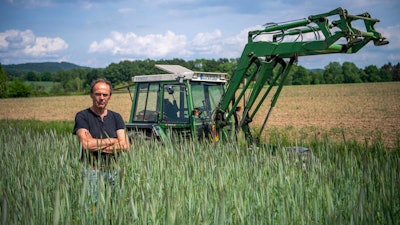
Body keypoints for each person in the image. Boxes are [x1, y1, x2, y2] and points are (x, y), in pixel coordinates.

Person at [73, 78, 130, 203]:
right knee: (92, 206)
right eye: (98, 94)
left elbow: (125, 146)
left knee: (116, 205)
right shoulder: (82, 116)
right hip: (91, 171)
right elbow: (86, 144)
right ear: (91, 95)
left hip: (113, 170)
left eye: (105, 95)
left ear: (109, 97)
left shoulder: (116, 117)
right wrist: (113, 140)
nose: (101, 98)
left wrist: (96, 143)